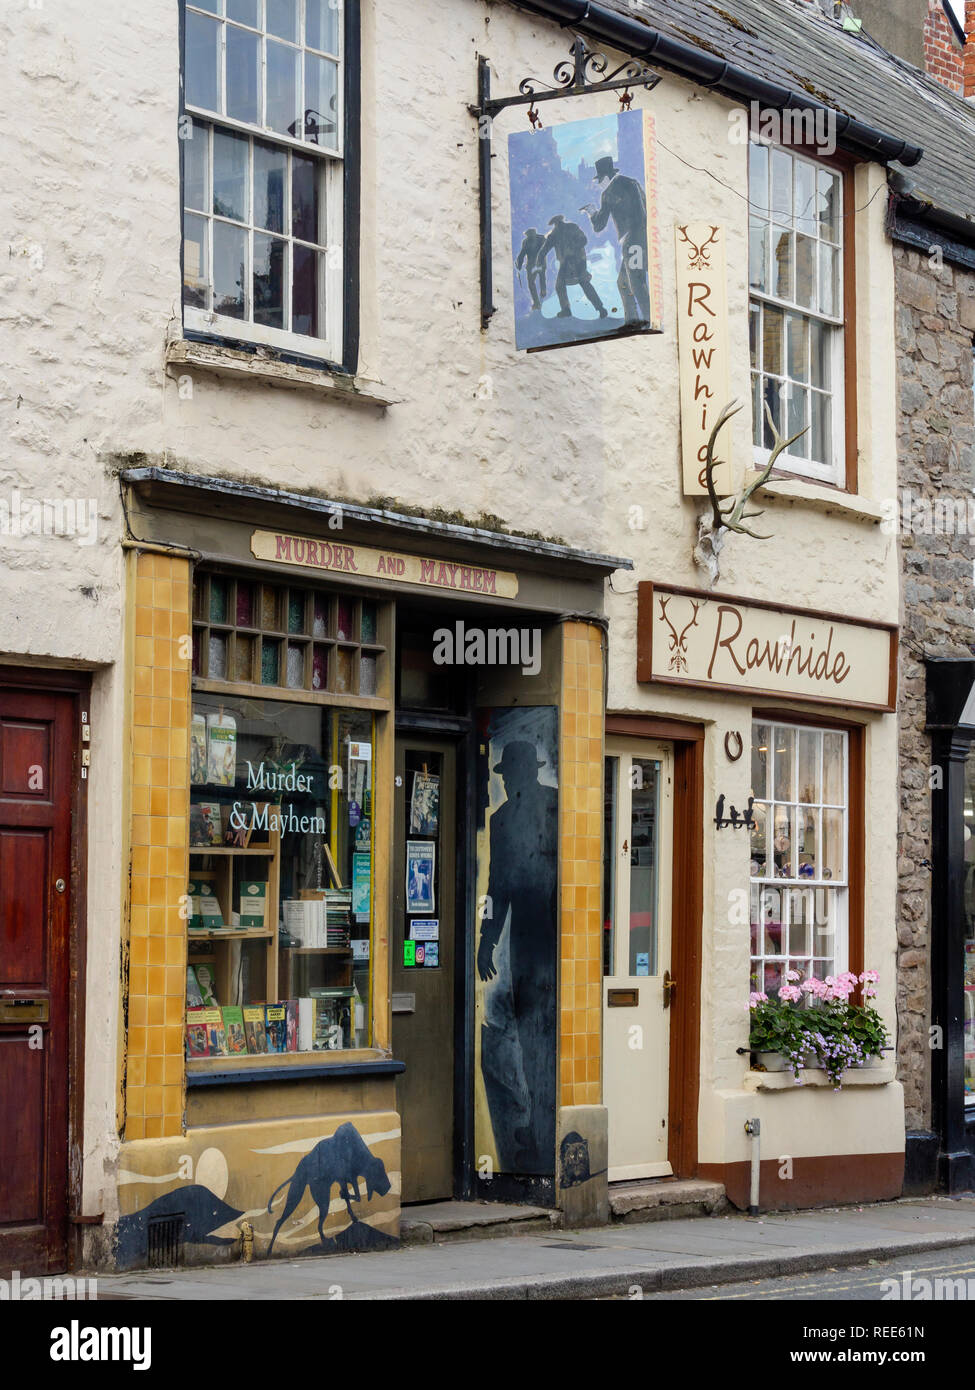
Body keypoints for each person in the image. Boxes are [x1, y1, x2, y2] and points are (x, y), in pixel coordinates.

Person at [477, 739, 558, 1172]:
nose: (507, 781)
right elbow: (496, 888)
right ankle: (537, 1123)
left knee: (550, 1033)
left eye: (511, 773)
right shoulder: (502, 819)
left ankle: (547, 1123)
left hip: (557, 938)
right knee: (529, 1036)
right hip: (525, 942)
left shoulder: (557, 806)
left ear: (531, 770)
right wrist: (487, 941)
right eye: (504, 776)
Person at [582, 154, 652, 324]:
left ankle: (649, 321)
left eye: (599, 181)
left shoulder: (608, 193)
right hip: (642, 237)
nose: (599, 185)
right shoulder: (632, 183)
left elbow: (599, 225)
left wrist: (591, 212)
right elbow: (645, 210)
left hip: (633, 241)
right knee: (624, 282)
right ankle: (633, 322)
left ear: (606, 177)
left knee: (636, 282)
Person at [538, 214, 607, 320]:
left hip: (577, 260)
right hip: (569, 262)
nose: (559, 224)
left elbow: (583, 240)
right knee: (564, 285)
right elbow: (545, 249)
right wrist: (540, 258)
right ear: (556, 224)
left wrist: (573, 248)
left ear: (561, 221)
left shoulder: (570, 228)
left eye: (559, 222)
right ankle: (568, 310)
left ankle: (600, 309)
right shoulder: (555, 234)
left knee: (581, 283)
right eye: (557, 223)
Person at [515, 227, 548, 311]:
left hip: (533, 265)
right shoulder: (540, 238)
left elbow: (522, 255)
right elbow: (522, 254)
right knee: (539, 278)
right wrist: (519, 264)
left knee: (533, 282)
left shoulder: (527, 241)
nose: (530, 236)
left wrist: (519, 266)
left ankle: (538, 301)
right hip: (538, 264)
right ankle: (540, 297)